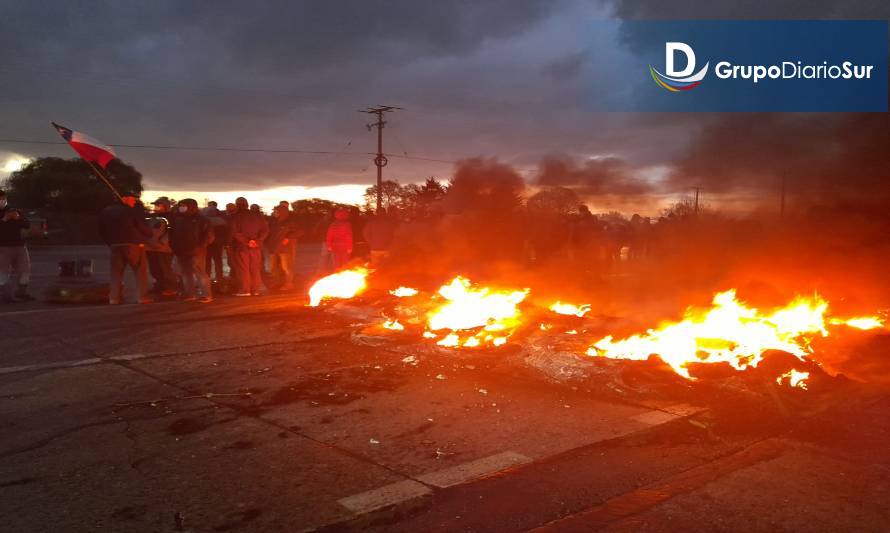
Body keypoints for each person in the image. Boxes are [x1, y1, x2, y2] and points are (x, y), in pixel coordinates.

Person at [98, 192, 153, 304]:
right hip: (134, 244)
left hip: (115, 245)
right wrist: (148, 235)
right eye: (132, 199)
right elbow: (142, 227)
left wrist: (110, 242)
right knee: (140, 272)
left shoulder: (105, 212)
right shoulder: (131, 211)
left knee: (116, 273)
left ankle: (114, 298)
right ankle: (142, 297)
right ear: (125, 199)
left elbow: (101, 230)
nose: (134, 201)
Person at [169, 198, 214, 302]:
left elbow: (209, 235)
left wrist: (200, 247)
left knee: (200, 273)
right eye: (180, 206)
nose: (181, 208)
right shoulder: (177, 219)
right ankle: (189, 294)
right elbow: (172, 234)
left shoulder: (201, 220)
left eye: (184, 206)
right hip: (181, 251)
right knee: (185, 273)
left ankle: (206, 294)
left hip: (197, 251)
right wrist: (173, 247)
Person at [230, 197, 269, 296]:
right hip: (256, 247)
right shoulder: (258, 216)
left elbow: (235, 233)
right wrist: (257, 241)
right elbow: (265, 230)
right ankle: (255, 290)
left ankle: (245, 290)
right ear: (247, 204)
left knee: (243, 269)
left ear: (237, 205)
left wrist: (248, 242)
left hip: (241, 247)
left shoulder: (235, 217)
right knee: (255, 268)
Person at [0, 190, 33, 302]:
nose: (1, 200)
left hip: (20, 246)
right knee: (3, 271)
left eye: (2, 198)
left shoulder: (14, 210)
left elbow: (27, 224)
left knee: (25, 269)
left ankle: (22, 292)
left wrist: (17, 218)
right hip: (3, 247)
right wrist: (4, 219)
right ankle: (5, 295)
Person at [145, 197, 178, 297]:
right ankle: (159, 285)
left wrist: (163, 243)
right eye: (155, 205)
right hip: (150, 247)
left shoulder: (170, 218)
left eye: (158, 205)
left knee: (165, 268)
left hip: (163, 248)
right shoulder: (152, 217)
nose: (156, 207)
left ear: (165, 206)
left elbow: (172, 233)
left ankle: (171, 288)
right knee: (154, 269)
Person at [267, 204, 302, 290]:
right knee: (273, 268)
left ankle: (289, 284)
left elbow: (300, 231)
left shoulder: (290, 222)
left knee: (286, 267)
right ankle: (276, 283)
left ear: (281, 212)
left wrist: (288, 237)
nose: (274, 212)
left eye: (276, 211)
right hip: (273, 248)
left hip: (284, 249)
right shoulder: (273, 222)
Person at [202, 200, 228, 283]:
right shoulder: (221, 220)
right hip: (218, 243)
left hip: (207, 243)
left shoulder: (204, 221)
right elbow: (225, 232)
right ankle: (219, 277)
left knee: (207, 261)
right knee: (218, 260)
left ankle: (207, 277)